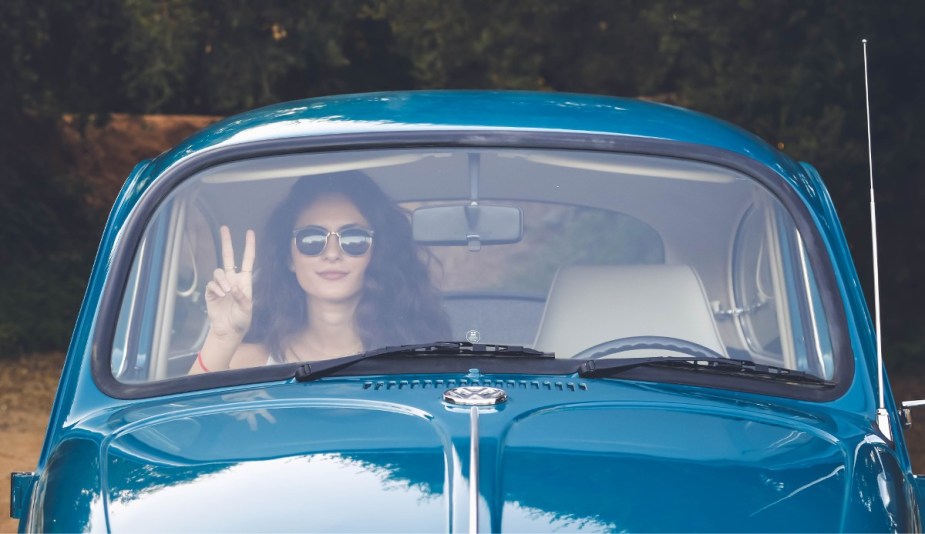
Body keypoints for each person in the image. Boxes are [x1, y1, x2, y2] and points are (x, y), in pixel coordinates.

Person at [190, 171, 451, 373]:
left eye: (354, 239)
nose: (332, 253)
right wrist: (223, 336)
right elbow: (184, 433)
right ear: (289, 258)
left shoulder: (416, 361)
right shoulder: (248, 362)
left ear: (376, 254)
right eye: (312, 239)